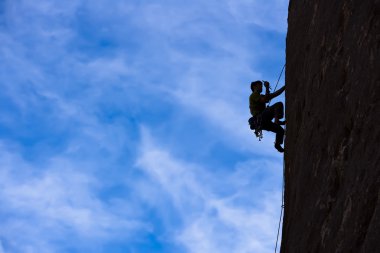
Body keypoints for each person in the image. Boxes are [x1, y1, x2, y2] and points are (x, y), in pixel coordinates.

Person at [249, 80, 286, 152]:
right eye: (260, 85)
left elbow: (274, 94)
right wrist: (267, 87)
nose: (261, 87)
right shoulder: (254, 95)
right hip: (260, 118)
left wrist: (285, 86)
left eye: (262, 86)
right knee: (278, 104)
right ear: (254, 86)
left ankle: (277, 145)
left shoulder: (260, 96)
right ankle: (277, 121)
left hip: (262, 123)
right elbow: (264, 100)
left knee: (280, 130)